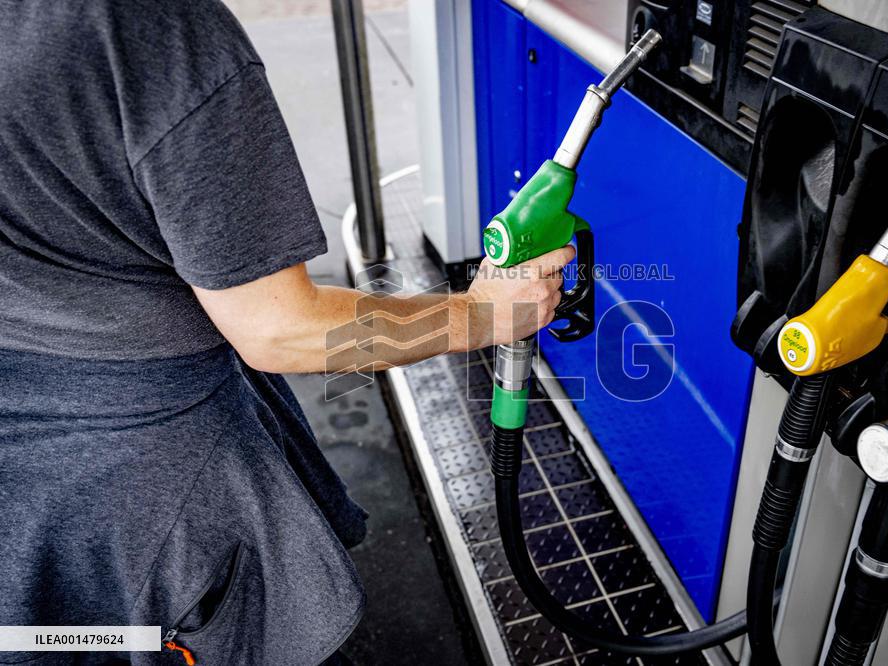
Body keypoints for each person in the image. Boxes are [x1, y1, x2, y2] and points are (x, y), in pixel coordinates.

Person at [0, 1, 573, 664]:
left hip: (32, 520)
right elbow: (280, 329)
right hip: (155, 509)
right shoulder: (147, 25)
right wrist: (482, 315)